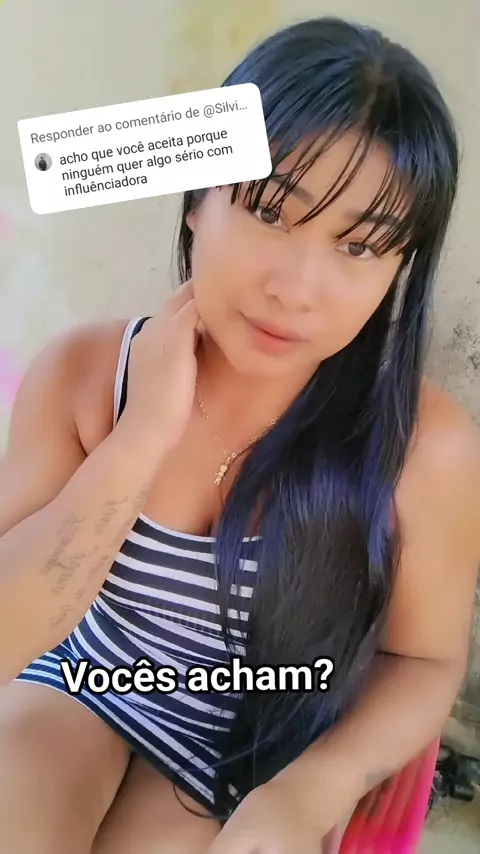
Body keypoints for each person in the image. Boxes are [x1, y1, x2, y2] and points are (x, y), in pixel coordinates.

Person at [0, 15, 479, 854]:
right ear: (198, 200)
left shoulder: (424, 445)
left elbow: (426, 662)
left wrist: (308, 792)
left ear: (398, 268)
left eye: (359, 246)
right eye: (270, 211)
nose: (297, 287)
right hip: (78, 682)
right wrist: (139, 439)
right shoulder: (83, 374)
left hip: (255, 738)